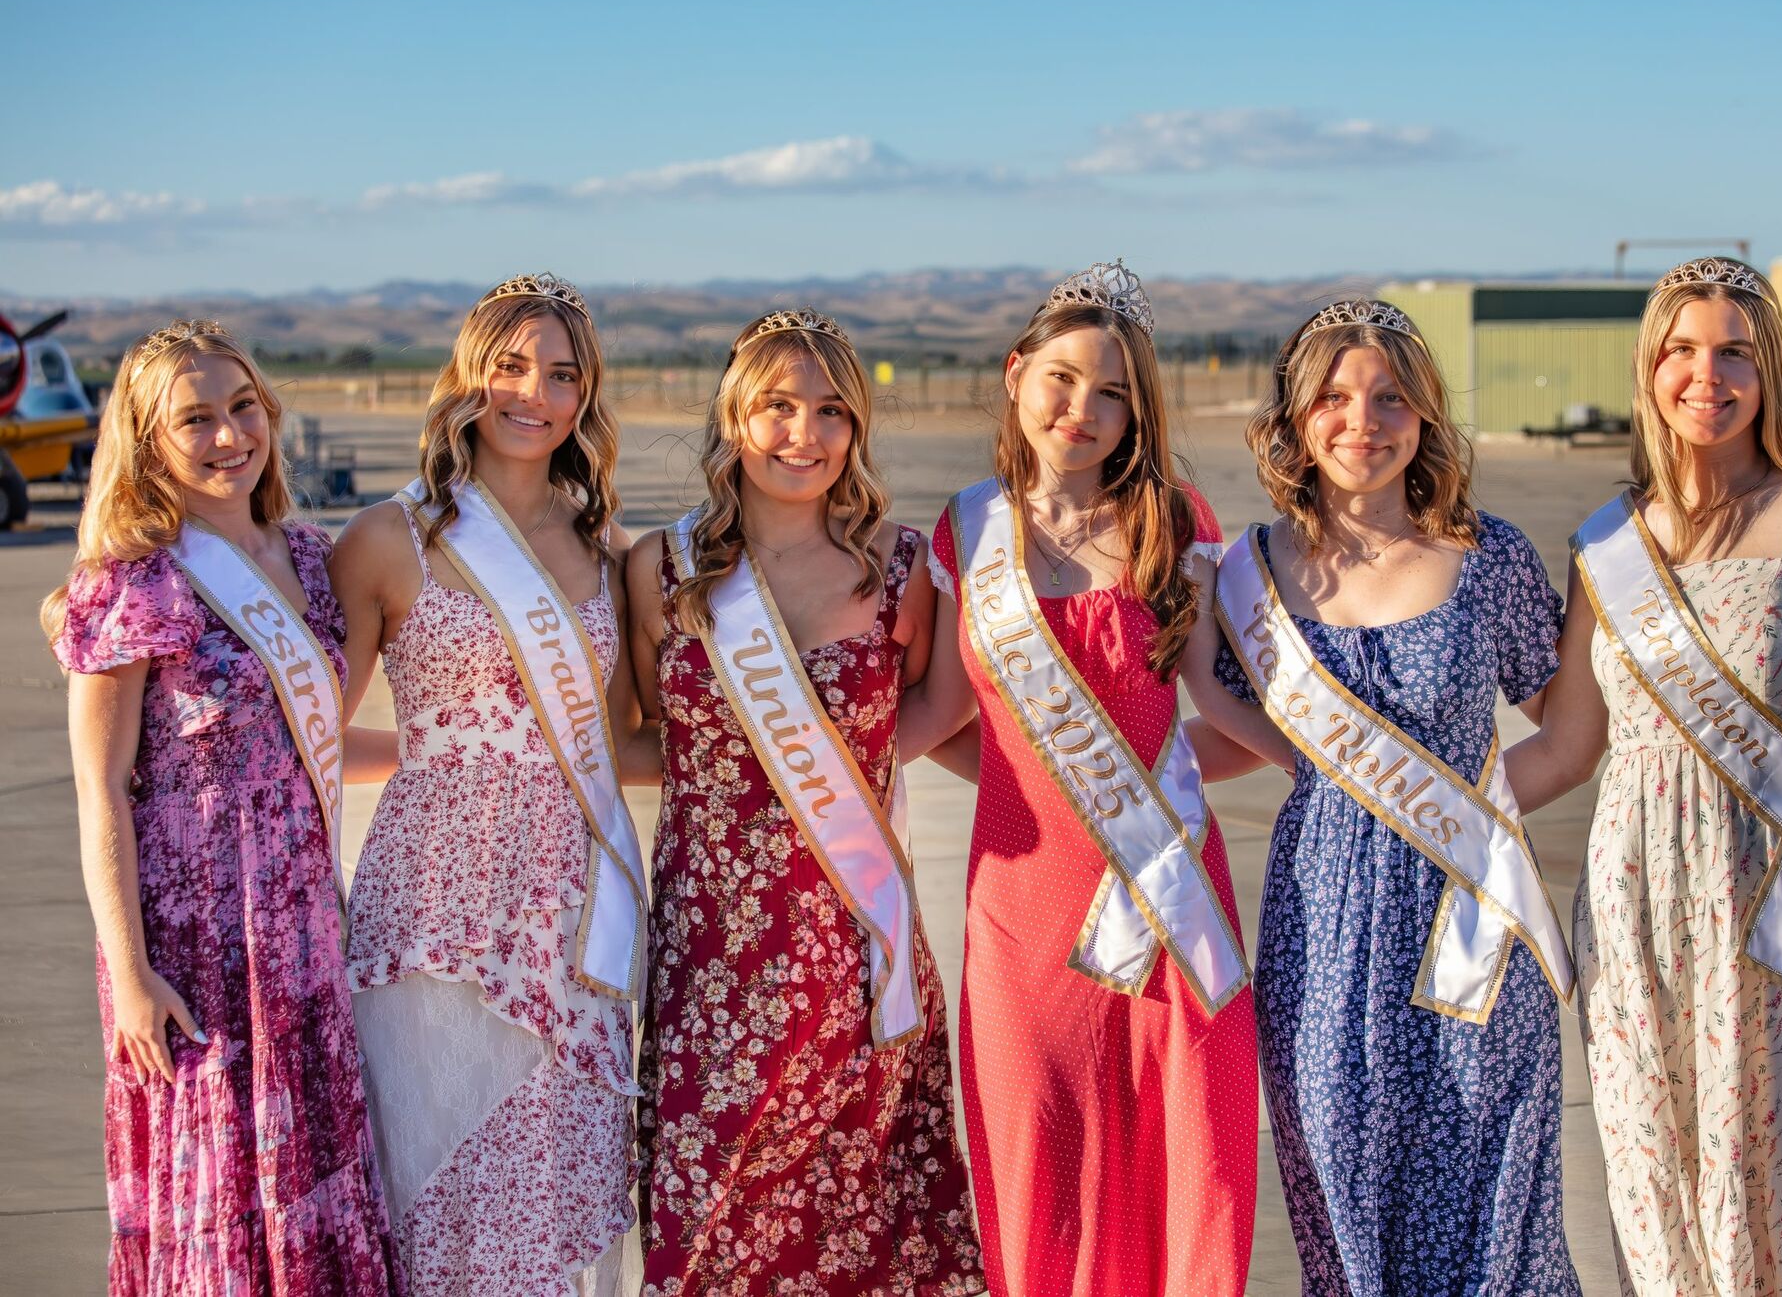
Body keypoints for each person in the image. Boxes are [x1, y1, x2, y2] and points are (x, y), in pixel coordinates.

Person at [1505, 257, 1782, 1294]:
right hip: (1638, 911)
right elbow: (1568, 745)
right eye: (1681, 350)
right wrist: (1417, 813)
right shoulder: (1610, 544)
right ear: (1649, 369)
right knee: (1658, 1183)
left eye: (1733, 351)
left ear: (1767, 367)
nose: (1707, 375)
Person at [1184, 298, 1579, 1294]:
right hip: (1320, 932)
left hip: (1471, 924)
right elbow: (1255, 740)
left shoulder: (1487, 556)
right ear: (1296, 416)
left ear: (1426, 413)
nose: (1362, 420)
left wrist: (1475, 827)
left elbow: (1572, 733)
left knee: (1490, 1216)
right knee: (1344, 1204)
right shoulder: (1248, 574)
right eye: (1334, 396)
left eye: (1390, 397)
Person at [907, 261, 1259, 1295]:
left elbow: (1224, 713)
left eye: (1112, 391)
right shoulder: (967, 529)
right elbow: (936, 716)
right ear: (1016, 373)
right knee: (1038, 1168)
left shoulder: (1173, 520)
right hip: (1021, 915)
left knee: (1187, 1161)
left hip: (1165, 895)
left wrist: (1281, 763)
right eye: (1062, 378)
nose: (1082, 409)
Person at [625, 307, 983, 1294]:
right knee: (710, 1228)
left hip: (854, 949)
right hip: (712, 959)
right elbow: (649, 731)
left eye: (831, 410)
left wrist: (848, 771)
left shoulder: (900, 568)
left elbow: (936, 705)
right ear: (733, 415)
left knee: (861, 1233)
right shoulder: (661, 569)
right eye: (778, 405)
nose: (804, 433)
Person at [44, 320, 397, 1295]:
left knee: (312, 1176)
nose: (229, 435)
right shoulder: (134, 581)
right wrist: (130, 973)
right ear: (148, 439)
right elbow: (100, 790)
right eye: (195, 418)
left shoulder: (313, 562)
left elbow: (305, 747)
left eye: (243, 407)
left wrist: (453, 751)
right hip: (192, 947)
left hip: (303, 934)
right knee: (217, 1191)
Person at [330, 273, 644, 1294]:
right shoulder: (388, 538)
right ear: (468, 374)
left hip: (566, 905)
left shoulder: (607, 551)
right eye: (510, 365)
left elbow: (622, 741)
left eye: (561, 374)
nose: (533, 393)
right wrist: (438, 757)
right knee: (427, 1179)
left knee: (547, 1192)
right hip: (430, 904)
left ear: (584, 396)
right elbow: (309, 729)